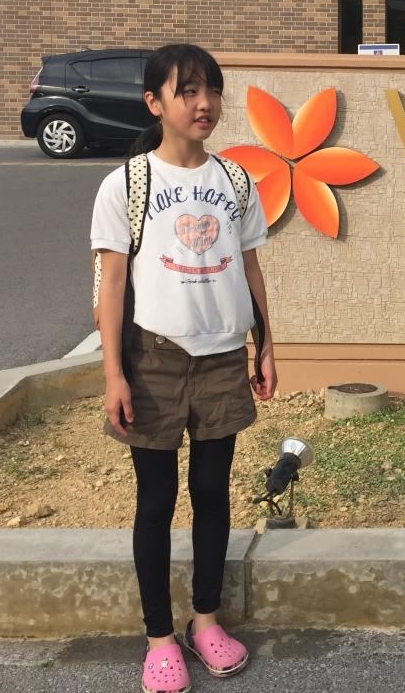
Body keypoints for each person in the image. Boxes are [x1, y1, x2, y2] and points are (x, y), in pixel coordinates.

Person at [91, 43, 276, 691]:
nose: (205, 104)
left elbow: (251, 268)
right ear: (155, 102)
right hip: (154, 360)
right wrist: (113, 374)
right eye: (188, 91)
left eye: (212, 91)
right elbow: (112, 285)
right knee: (155, 501)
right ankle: (159, 638)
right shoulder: (126, 184)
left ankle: (205, 621)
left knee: (212, 493)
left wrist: (265, 343)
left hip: (222, 356)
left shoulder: (236, 181)